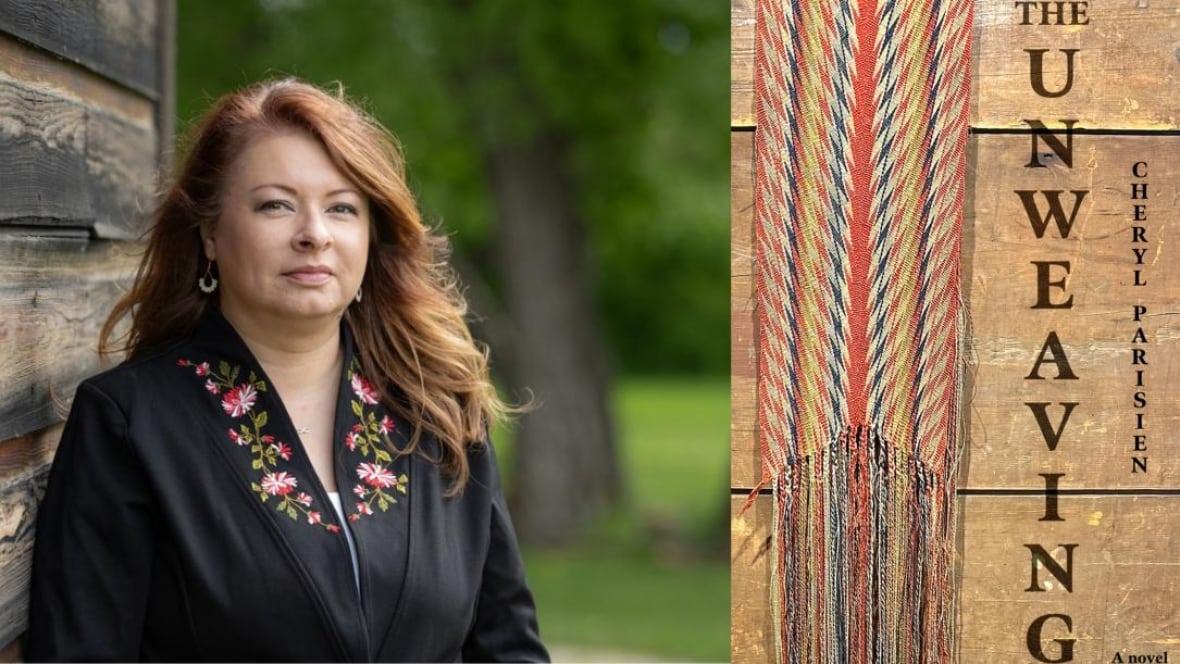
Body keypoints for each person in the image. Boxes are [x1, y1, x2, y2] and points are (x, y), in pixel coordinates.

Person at [25, 78, 549, 663]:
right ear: (211, 234)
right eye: (276, 204)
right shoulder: (131, 425)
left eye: (342, 208)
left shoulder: (438, 413)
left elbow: (508, 650)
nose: (314, 235)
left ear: (371, 237)